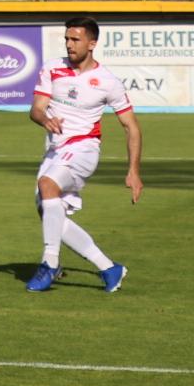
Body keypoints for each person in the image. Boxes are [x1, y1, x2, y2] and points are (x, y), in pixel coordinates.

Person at [25, 16, 142, 294]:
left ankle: (49, 264)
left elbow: (131, 128)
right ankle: (109, 268)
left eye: (75, 39)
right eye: (66, 39)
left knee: (47, 186)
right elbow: (36, 109)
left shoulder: (107, 81)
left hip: (84, 149)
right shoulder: (52, 69)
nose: (69, 44)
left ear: (92, 43)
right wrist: (44, 120)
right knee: (50, 215)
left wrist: (134, 171)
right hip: (55, 150)